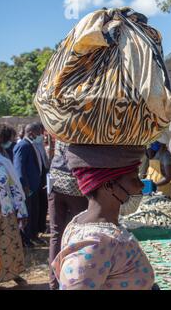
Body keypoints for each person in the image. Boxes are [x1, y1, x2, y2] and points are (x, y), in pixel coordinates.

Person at [51, 145, 155, 290]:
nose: (140, 186)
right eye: (134, 178)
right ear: (109, 186)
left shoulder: (84, 223)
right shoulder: (94, 244)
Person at [47, 140, 88, 290]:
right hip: (74, 185)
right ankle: (74, 280)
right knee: (81, 232)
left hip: (55, 181)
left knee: (56, 233)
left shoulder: (59, 129)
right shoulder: (82, 132)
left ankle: (53, 283)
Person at [0, 125, 28, 286]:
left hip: (5, 212)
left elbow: (15, 187)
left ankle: (13, 274)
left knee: (9, 244)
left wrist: (22, 211)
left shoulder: (3, 162)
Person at [13, 123, 44, 247]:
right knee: (27, 213)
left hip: (34, 186)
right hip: (27, 188)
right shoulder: (23, 145)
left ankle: (32, 236)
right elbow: (19, 168)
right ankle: (25, 240)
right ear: (31, 133)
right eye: (38, 133)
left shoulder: (30, 144)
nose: (40, 136)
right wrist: (24, 185)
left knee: (33, 212)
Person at [34, 122, 50, 235]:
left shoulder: (39, 145)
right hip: (36, 181)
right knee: (36, 207)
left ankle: (41, 226)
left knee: (43, 204)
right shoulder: (27, 145)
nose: (42, 135)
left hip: (43, 177)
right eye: (40, 132)